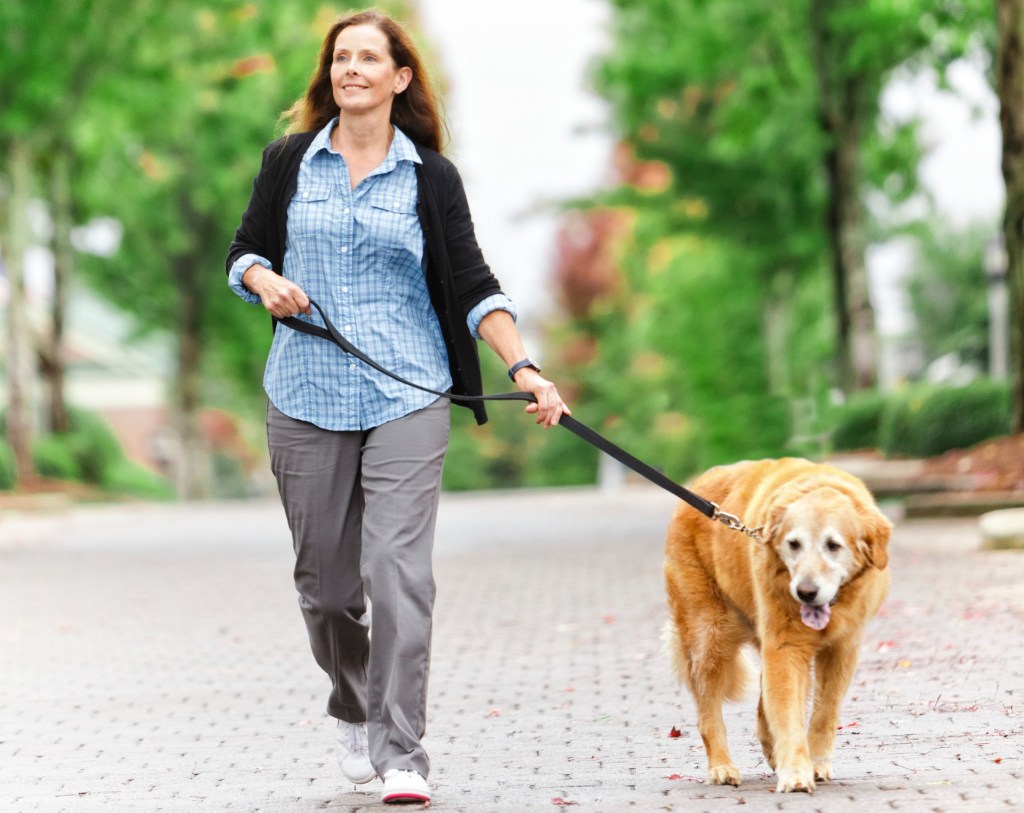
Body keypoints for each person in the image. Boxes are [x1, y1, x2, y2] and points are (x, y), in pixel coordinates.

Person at [225, 8, 570, 806]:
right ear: (330, 75)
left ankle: (402, 748)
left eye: (368, 58)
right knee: (327, 587)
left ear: (400, 78)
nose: (351, 69)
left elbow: (477, 284)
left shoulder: (430, 178)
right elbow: (244, 248)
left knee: (397, 572)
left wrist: (523, 365)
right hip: (306, 392)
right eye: (340, 57)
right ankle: (351, 699)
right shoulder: (288, 162)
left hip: (407, 392)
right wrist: (261, 280)